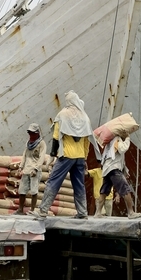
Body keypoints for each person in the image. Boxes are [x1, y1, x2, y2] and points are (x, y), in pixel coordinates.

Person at [33, 91, 92, 219]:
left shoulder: (63, 114)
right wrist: (85, 158)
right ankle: (82, 212)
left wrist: (53, 155)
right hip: (80, 156)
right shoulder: (85, 117)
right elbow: (87, 141)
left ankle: (43, 210)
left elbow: (56, 137)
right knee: (79, 185)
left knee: (53, 181)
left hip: (66, 155)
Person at [99, 132, 141, 219]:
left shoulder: (110, 142)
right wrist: (127, 138)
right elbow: (122, 149)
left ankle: (98, 212)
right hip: (114, 169)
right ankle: (131, 212)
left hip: (107, 169)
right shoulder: (117, 139)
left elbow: (117, 158)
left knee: (104, 191)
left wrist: (125, 170)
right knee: (125, 188)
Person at [17, 123, 45, 215]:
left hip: (34, 171)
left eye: (33, 133)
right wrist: (21, 167)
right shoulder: (28, 143)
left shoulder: (41, 144)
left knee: (34, 191)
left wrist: (36, 169)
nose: (31, 135)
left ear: (37, 133)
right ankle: (20, 209)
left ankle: (32, 210)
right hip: (26, 169)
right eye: (30, 133)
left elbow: (41, 157)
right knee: (22, 190)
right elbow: (24, 156)